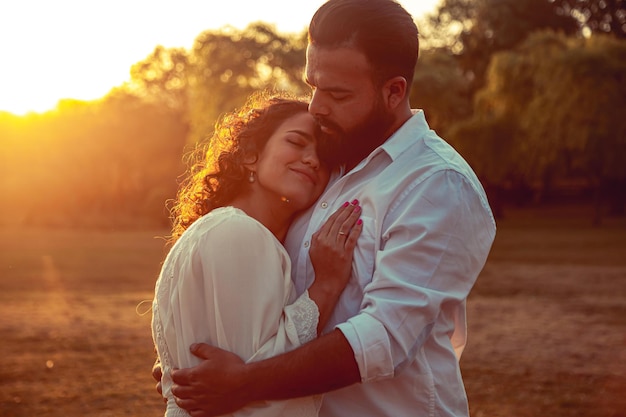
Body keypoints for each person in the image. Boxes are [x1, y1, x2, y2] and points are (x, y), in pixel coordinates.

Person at [158, 1, 497, 416]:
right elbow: (259, 298)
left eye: (337, 94)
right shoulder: (321, 167)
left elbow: (384, 337)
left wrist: (243, 382)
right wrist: (193, 359)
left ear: (393, 91)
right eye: (312, 85)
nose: (316, 107)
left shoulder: (436, 184)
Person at [151, 91, 364, 417]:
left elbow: (244, 373)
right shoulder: (238, 231)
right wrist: (327, 287)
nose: (312, 160)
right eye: (297, 142)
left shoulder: (236, 232)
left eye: (323, 157)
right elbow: (257, 384)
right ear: (251, 155)